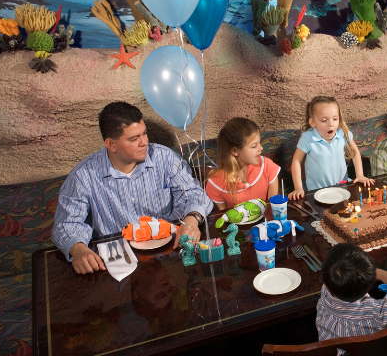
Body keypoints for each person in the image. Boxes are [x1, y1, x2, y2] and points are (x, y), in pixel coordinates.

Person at [51, 102, 213, 274]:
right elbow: (66, 223)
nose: (145, 142)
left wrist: (192, 219)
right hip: (118, 263)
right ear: (111, 144)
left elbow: (194, 193)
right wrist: (78, 249)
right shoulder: (83, 176)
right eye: (134, 138)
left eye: (144, 133)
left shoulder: (164, 157)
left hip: (170, 254)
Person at [289, 96, 374, 199]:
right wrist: (298, 187)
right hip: (317, 192)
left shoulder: (342, 133)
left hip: (342, 188)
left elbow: (355, 152)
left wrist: (360, 175)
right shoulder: (308, 138)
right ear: (312, 122)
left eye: (335, 119)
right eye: (324, 120)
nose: (331, 124)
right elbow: (296, 161)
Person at [206, 117, 280, 209]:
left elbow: (273, 209)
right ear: (235, 151)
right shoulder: (215, 181)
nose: (261, 148)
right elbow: (223, 217)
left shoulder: (267, 166)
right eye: (254, 146)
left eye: (259, 143)